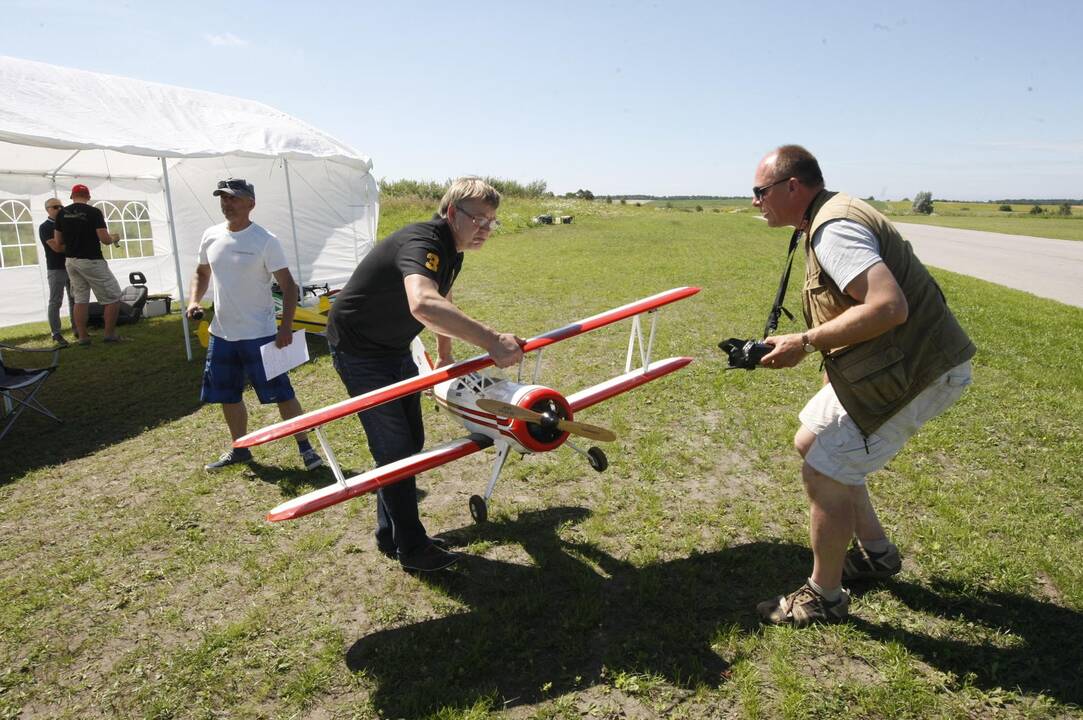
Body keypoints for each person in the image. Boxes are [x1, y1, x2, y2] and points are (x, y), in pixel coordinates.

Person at [750, 145, 976, 627]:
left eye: (760, 191)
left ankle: (824, 597)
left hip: (918, 368)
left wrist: (806, 341)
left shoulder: (834, 228)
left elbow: (887, 307)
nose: (756, 202)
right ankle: (877, 555)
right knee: (810, 439)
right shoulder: (826, 217)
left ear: (793, 187)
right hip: (900, 362)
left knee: (824, 470)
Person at [326, 177, 523, 572]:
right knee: (396, 450)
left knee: (410, 441)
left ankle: (390, 533)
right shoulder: (424, 240)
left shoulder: (454, 250)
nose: (485, 228)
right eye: (478, 219)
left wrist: (444, 354)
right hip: (360, 349)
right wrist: (491, 341)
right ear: (451, 212)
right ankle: (413, 549)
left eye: (492, 221)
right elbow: (423, 302)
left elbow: (442, 296)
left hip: (395, 347)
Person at [185, 178, 323, 473]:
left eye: (234, 198)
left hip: (260, 335)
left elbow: (288, 286)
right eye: (223, 198)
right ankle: (240, 449)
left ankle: (306, 448)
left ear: (251, 203)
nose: (227, 204)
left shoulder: (265, 240)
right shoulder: (210, 236)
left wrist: (285, 327)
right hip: (221, 334)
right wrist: (194, 301)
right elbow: (201, 271)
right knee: (227, 395)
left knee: (282, 394)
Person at [47, 184, 124, 345]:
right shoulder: (94, 212)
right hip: (91, 260)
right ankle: (109, 334)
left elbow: (59, 241)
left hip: (71, 261)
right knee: (113, 297)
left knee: (80, 299)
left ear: (72, 197)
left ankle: (83, 336)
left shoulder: (61, 214)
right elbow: (104, 239)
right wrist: (114, 238)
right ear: (88, 196)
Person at [38, 198, 74, 347]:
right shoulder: (45, 227)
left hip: (72, 266)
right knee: (55, 301)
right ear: (47, 209)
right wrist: (76, 246)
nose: (59, 209)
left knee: (75, 299)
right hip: (56, 268)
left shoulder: (67, 224)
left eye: (61, 206)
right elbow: (57, 248)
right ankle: (56, 333)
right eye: (55, 207)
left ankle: (77, 328)